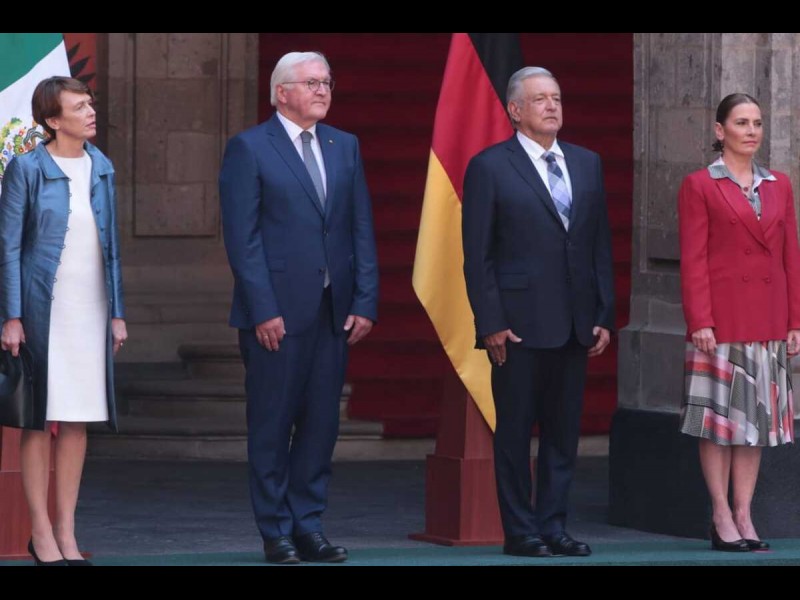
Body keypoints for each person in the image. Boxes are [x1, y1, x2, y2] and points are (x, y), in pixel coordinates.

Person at [219, 51, 378, 564]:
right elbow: (242, 239)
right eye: (311, 83)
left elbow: (359, 226)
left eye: (327, 82)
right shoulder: (249, 148)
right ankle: (276, 531)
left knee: (320, 426)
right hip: (277, 315)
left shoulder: (344, 145)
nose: (322, 90)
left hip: (333, 310)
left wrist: (365, 300)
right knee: (272, 423)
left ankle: (309, 525)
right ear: (281, 92)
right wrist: (263, 309)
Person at [462, 67, 615, 558]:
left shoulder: (587, 163)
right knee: (514, 433)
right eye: (540, 99)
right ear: (514, 110)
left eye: (556, 98)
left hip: (574, 323)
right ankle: (520, 530)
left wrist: (603, 312)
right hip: (517, 326)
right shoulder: (490, 166)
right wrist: (490, 323)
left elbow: (598, 244)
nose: (552, 106)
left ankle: (553, 526)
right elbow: (478, 255)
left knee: (562, 434)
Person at [0, 76, 127, 566]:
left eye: (90, 103)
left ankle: (67, 531)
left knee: (78, 420)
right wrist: (11, 316)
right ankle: (40, 531)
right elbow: (8, 247)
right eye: (79, 107)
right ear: (53, 120)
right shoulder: (27, 168)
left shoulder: (102, 166)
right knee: (39, 419)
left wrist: (117, 313)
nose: (91, 112)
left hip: (90, 309)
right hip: (41, 308)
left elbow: (111, 248)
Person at [678, 93, 800, 552]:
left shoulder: (779, 184)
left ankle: (745, 513)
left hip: (768, 320)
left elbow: (791, 256)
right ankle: (720, 514)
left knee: (755, 425)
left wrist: (795, 320)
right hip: (720, 323)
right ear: (719, 130)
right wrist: (700, 320)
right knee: (718, 423)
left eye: (757, 123)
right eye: (742, 122)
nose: (751, 131)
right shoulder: (699, 185)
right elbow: (693, 258)